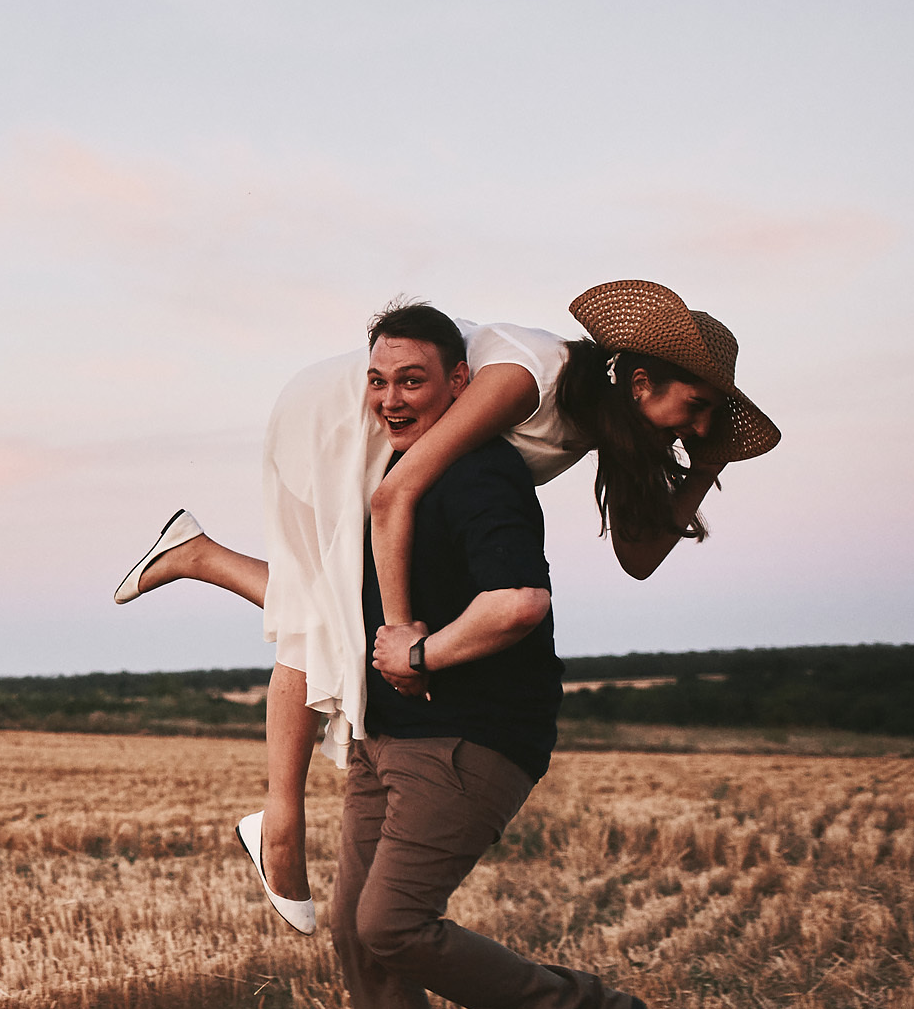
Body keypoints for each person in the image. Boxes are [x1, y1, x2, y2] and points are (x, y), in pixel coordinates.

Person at [111, 280, 777, 931]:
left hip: (396, 425)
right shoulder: (527, 378)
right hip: (351, 414)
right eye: (697, 405)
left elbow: (638, 557)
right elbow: (392, 498)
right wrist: (402, 644)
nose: (701, 424)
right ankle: (280, 824)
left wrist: (702, 463)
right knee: (335, 618)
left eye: (711, 416)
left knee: (336, 611)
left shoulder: (602, 423)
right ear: (640, 386)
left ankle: (199, 556)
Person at [333, 306, 647, 1009]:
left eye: (412, 380)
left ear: (459, 383)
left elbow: (519, 603)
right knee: (354, 927)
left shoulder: (478, 472)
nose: (391, 398)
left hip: (467, 734)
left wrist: (421, 656)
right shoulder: (395, 479)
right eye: (378, 380)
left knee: (391, 922)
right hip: (388, 734)